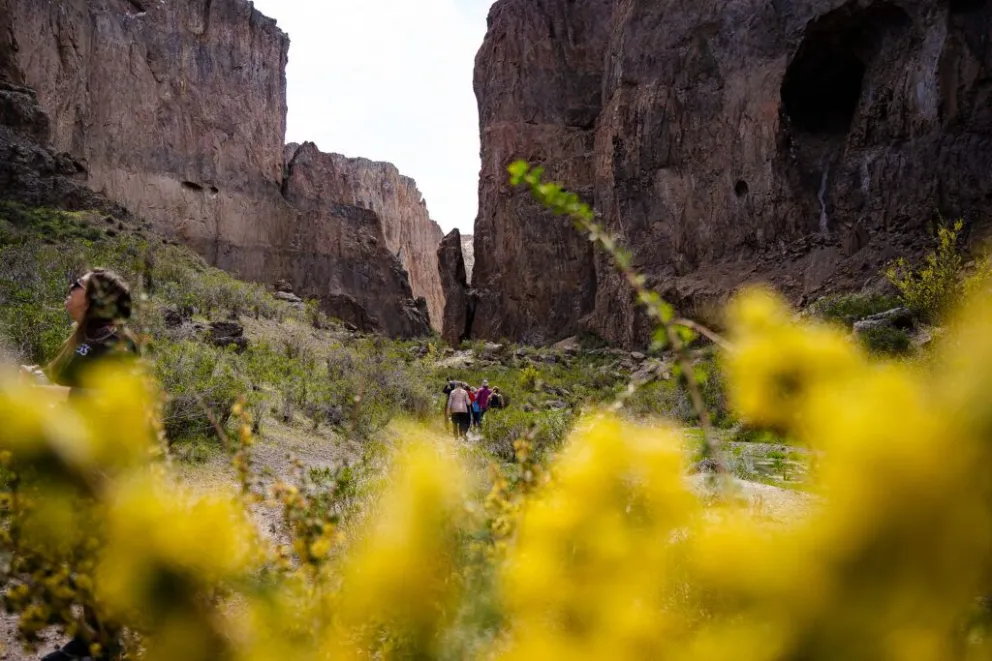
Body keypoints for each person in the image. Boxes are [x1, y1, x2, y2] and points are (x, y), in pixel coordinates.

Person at [24, 269, 137, 661]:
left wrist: (51, 392)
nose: (69, 288)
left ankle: (107, 643)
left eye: (77, 283)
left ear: (95, 299)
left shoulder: (117, 342)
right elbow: (58, 386)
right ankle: (90, 637)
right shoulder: (83, 341)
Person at [22, 268, 138, 397]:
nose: (71, 286)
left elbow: (117, 400)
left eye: (78, 284)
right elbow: (57, 379)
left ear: (92, 300)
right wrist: (35, 375)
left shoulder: (117, 342)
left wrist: (58, 393)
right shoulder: (83, 334)